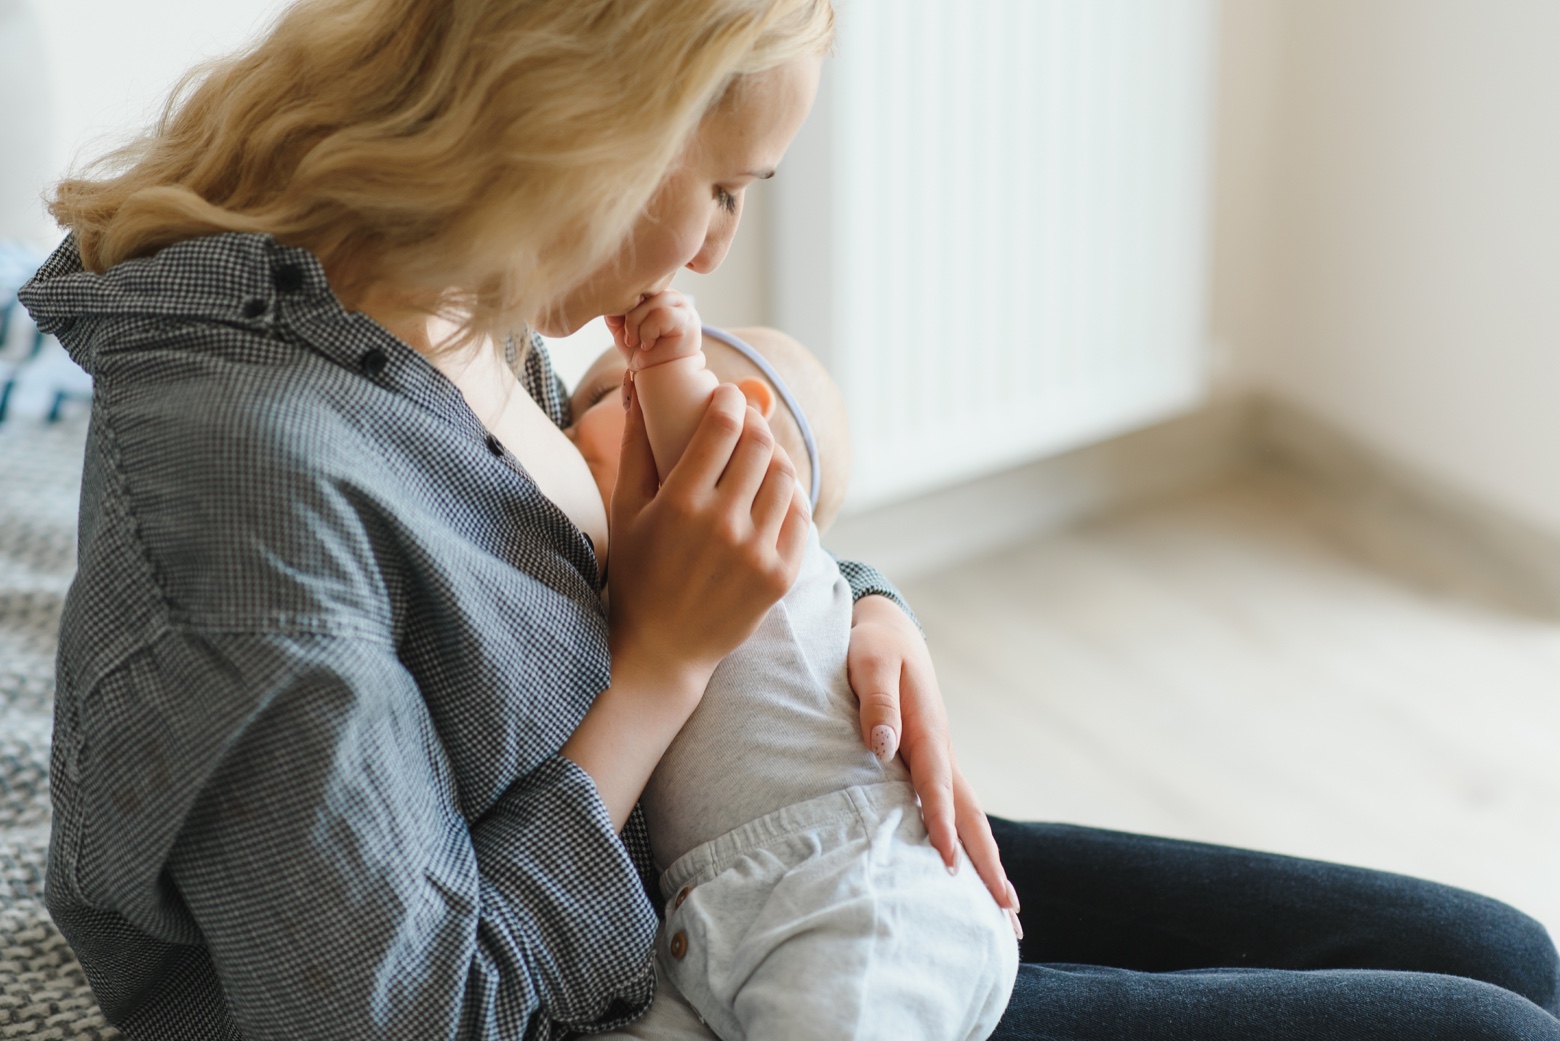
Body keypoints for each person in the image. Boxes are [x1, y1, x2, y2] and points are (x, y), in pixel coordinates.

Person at [17, 0, 1559, 1039]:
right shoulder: (246, 495)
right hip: (667, 983)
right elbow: (426, 1010)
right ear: (578, 136)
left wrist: (863, 602)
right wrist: (672, 664)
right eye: (729, 186)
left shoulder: (422, 279)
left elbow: (574, 536)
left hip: (731, 858)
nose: (715, 241)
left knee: (1502, 952)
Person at [563, 312, 1018, 1041]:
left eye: (603, 396)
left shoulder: (728, 525)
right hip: (710, 927)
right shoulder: (639, 572)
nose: (565, 426)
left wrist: (664, 351)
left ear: (741, 421)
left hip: (852, 881)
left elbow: (689, 430)